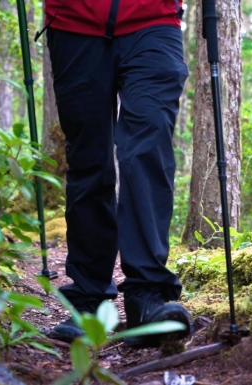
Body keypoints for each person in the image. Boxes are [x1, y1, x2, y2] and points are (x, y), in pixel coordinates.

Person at [42, 0, 191, 347]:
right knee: (88, 158)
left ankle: (148, 297)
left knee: (147, 146)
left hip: (154, 18)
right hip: (73, 21)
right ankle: (88, 300)